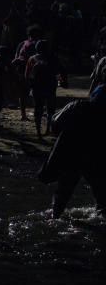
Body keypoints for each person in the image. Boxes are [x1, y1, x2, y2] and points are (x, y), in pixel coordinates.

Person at [38, 85, 106, 217]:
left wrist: (65, 134)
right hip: (96, 157)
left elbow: (55, 122)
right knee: (101, 193)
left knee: (63, 191)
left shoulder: (78, 105)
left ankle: (55, 216)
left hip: (72, 154)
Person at [25, 40, 65, 137]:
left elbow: (27, 75)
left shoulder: (32, 59)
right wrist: (63, 82)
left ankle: (38, 132)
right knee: (50, 110)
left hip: (37, 88)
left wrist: (29, 86)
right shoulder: (54, 59)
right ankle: (47, 130)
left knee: (38, 109)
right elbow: (61, 71)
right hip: (50, 87)